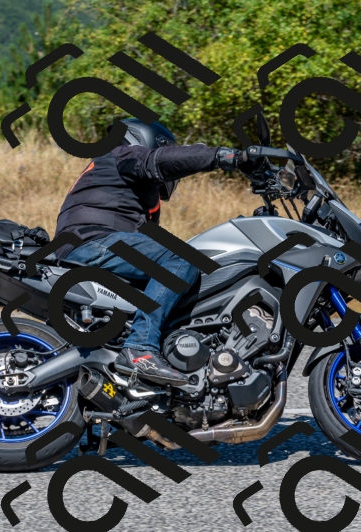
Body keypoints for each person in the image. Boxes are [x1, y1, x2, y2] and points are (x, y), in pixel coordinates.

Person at [54, 118, 253, 386]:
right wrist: (225, 156)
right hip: (92, 241)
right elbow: (158, 161)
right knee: (181, 259)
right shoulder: (123, 154)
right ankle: (140, 347)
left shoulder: (120, 183)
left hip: (89, 242)